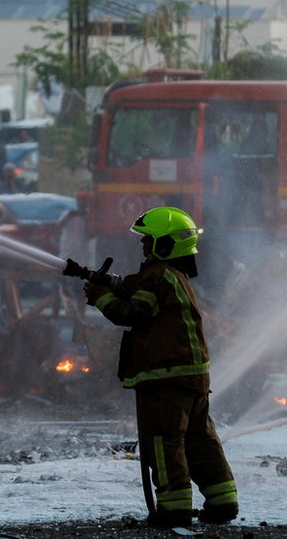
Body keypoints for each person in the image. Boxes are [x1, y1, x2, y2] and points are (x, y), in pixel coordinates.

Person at [81, 207, 238, 529]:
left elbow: (133, 313)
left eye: (148, 240)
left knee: (164, 442)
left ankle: (173, 508)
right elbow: (135, 288)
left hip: (165, 377)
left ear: (165, 245)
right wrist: (109, 282)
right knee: (200, 439)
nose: (142, 246)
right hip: (192, 376)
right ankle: (222, 502)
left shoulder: (158, 275)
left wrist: (99, 297)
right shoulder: (171, 276)